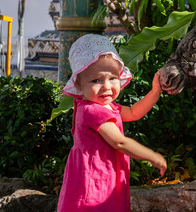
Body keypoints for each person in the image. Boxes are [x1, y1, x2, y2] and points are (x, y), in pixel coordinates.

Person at [57, 34, 167, 212]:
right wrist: (151, 156)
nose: (107, 86)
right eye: (96, 80)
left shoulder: (108, 106)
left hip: (106, 176)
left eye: (113, 78)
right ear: (78, 84)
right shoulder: (92, 111)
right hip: (93, 181)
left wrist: (155, 92)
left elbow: (133, 112)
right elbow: (119, 142)